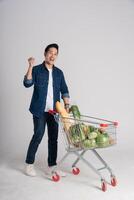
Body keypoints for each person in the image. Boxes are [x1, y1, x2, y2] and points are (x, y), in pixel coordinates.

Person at [23, 43, 70, 178]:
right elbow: (27, 83)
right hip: (39, 110)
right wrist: (30, 66)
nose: (52, 56)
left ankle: (52, 166)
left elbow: (64, 90)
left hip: (54, 112)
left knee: (53, 139)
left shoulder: (59, 73)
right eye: (50, 52)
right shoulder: (37, 69)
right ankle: (29, 164)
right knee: (38, 135)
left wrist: (66, 106)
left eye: (55, 54)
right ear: (45, 54)